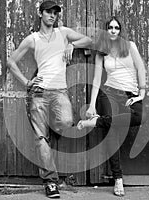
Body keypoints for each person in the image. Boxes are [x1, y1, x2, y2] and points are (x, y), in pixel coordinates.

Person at [7, 1, 92, 198]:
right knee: (40, 139)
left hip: (59, 91)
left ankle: (51, 131)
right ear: (40, 13)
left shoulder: (63, 33)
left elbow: (89, 40)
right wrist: (27, 82)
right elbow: (11, 62)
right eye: (48, 12)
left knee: (65, 122)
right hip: (38, 93)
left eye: (55, 12)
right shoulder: (32, 39)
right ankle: (50, 181)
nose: (52, 15)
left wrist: (73, 44)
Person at [77, 16, 146, 197]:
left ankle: (98, 122)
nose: (113, 30)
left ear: (120, 30)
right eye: (110, 27)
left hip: (129, 94)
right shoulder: (102, 51)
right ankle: (118, 178)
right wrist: (92, 105)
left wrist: (142, 93)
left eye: (116, 27)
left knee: (139, 117)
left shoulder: (130, 46)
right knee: (113, 131)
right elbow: (97, 79)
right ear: (106, 30)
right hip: (109, 94)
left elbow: (140, 68)